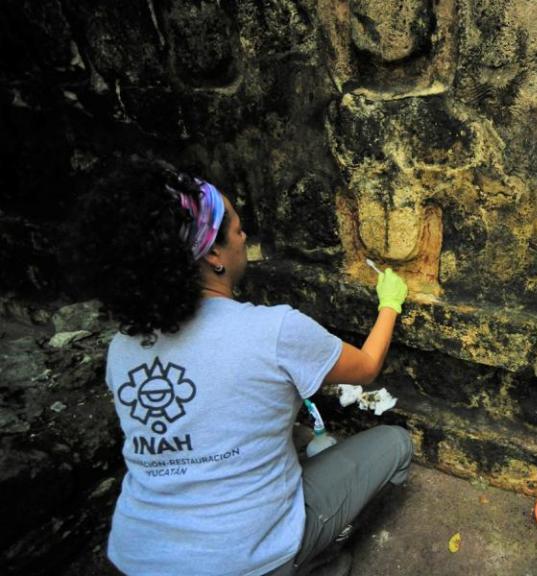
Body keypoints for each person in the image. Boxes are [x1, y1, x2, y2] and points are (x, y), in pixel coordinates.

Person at [72, 158, 412, 576]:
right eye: (236, 228)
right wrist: (390, 303)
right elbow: (366, 368)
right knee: (395, 443)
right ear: (214, 253)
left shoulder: (123, 349)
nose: (244, 235)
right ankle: (311, 559)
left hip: (134, 558)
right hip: (246, 561)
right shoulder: (273, 330)